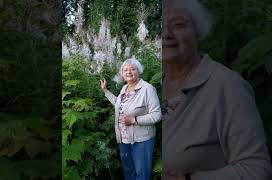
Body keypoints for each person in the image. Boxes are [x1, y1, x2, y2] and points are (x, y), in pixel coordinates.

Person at [162, 0, 272, 179]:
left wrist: (192, 179)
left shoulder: (227, 86)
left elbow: (257, 169)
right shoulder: (148, 81)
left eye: (179, 25)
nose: (166, 34)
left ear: (198, 32)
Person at [99, 57, 162, 180]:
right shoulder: (125, 88)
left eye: (132, 69)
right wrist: (105, 91)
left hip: (141, 140)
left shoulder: (147, 89)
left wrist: (134, 120)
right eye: (125, 70)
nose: (129, 72)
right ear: (122, 74)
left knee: (142, 174)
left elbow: (157, 115)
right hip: (124, 140)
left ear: (138, 71)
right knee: (128, 172)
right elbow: (119, 104)